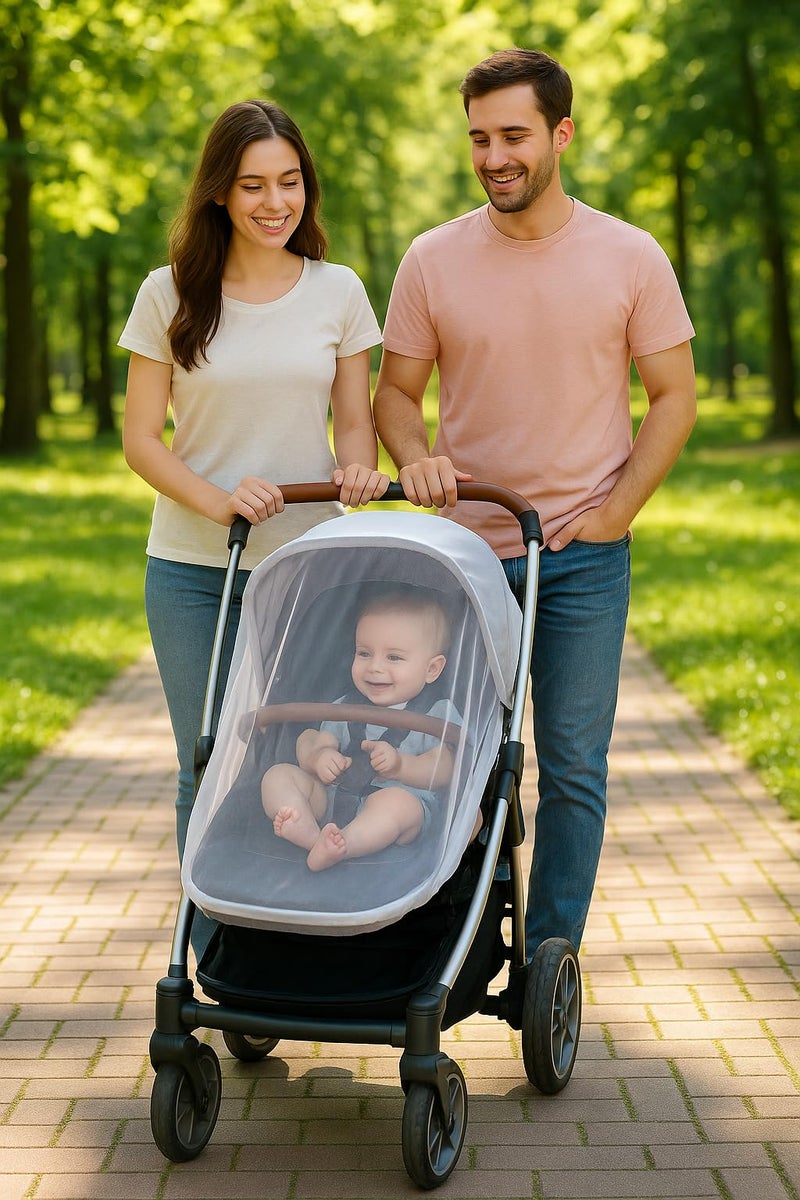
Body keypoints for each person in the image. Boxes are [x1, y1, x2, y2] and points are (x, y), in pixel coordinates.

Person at [372, 48, 697, 960]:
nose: (493, 156)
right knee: (450, 759)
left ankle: (550, 959)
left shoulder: (630, 255)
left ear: (560, 134)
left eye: (513, 135)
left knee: (574, 771)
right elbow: (394, 394)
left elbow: (675, 397)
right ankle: (447, 948)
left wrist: (618, 511)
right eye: (479, 137)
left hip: (582, 556)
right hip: (468, 555)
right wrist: (418, 456)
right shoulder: (432, 258)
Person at [118, 100, 388, 952]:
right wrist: (219, 500)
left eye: (290, 183)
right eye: (253, 186)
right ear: (219, 196)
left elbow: (354, 418)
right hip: (196, 568)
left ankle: (290, 940)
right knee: (209, 759)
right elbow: (139, 440)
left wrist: (356, 469)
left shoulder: (338, 291)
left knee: (304, 755)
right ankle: (214, 956)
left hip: (309, 574)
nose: (276, 203)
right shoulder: (170, 294)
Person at [261, 588, 461, 871]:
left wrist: (402, 766)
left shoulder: (439, 712)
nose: (374, 667)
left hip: (399, 800)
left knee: (396, 805)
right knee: (278, 775)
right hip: (334, 797)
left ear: (432, 669)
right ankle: (307, 830)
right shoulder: (346, 705)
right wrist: (320, 756)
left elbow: (446, 767)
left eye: (393, 657)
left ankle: (344, 846)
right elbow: (312, 739)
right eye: (364, 653)